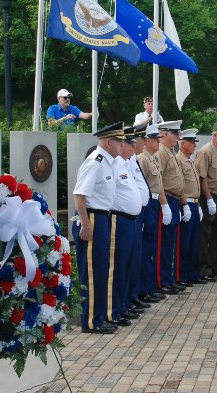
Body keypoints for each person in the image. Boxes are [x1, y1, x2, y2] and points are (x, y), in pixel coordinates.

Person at [72, 121, 125, 334]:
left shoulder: (108, 163)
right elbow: (79, 195)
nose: (122, 145)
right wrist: (85, 224)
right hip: (93, 217)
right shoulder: (95, 162)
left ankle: (100, 316)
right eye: (119, 142)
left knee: (102, 270)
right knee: (93, 273)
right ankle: (91, 321)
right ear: (109, 142)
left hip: (103, 217)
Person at [108, 126, 144, 328]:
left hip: (131, 219)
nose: (131, 147)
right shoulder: (114, 165)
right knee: (119, 266)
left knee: (128, 264)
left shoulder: (126, 164)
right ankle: (115, 309)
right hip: (119, 219)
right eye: (129, 144)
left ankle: (123, 305)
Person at [136, 124, 169, 304]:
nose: (158, 142)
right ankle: (144, 289)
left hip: (155, 203)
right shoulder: (142, 159)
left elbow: (159, 183)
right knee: (146, 246)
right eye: (155, 139)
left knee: (151, 245)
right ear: (146, 141)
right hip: (147, 203)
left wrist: (164, 205)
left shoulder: (153, 158)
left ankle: (149, 287)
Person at [195, 121, 217, 281]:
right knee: (205, 233)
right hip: (206, 197)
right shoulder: (206, 152)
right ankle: (205, 269)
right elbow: (201, 177)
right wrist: (209, 199)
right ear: (214, 135)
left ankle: (216, 267)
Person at [156, 120, 185, 294]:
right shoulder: (162, 152)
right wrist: (164, 204)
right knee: (164, 244)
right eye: (175, 134)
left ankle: (168, 278)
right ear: (164, 134)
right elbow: (158, 180)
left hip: (174, 201)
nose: (177, 137)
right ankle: (162, 281)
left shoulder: (170, 152)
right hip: (166, 200)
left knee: (170, 243)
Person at [125, 126, 151, 316]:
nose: (136, 145)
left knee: (135, 257)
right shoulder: (123, 162)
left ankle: (132, 296)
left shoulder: (132, 160)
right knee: (127, 260)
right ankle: (126, 300)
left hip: (137, 213)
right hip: (125, 216)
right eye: (133, 142)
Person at [176, 128, 202, 285]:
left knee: (194, 242)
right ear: (183, 144)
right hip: (185, 204)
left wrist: (198, 205)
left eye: (194, 143)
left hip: (195, 203)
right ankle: (182, 275)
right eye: (191, 143)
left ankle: (193, 273)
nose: (194, 146)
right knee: (184, 242)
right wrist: (184, 204)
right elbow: (180, 185)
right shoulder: (178, 160)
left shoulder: (190, 161)